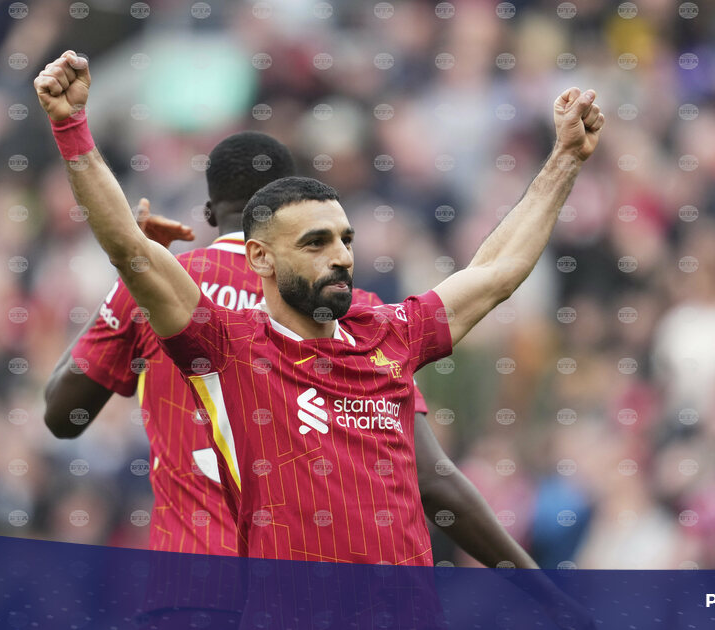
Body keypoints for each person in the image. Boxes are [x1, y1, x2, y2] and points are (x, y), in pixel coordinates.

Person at [34, 50, 603, 565]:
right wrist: (71, 127)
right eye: (316, 242)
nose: (341, 256)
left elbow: (497, 273)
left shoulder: (387, 331)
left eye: (345, 239)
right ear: (261, 255)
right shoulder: (231, 347)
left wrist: (565, 159)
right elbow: (127, 248)